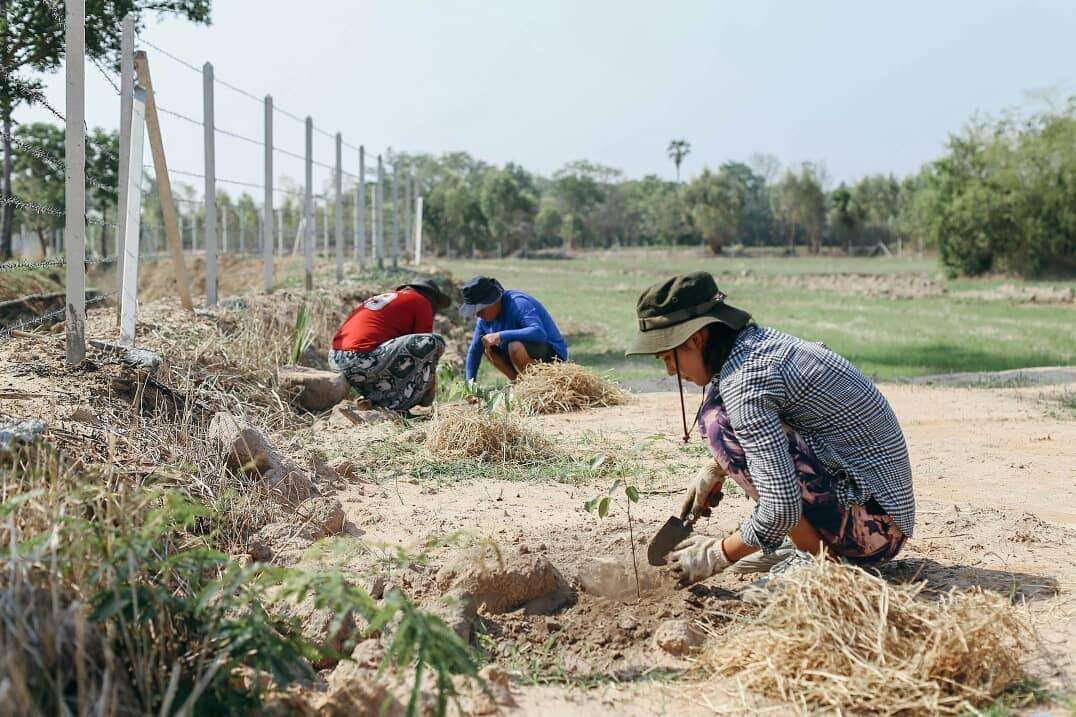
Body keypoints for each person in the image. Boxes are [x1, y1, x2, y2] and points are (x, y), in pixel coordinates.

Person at [626, 272, 915, 586]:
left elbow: (782, 508)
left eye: (669, 358)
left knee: (719, 425)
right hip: (881, 510)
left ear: (696, 339)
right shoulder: (755, 349)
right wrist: (716, 468)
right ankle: (810, 547)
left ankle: (817, 564)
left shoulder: (746, 384)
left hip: (872, 533)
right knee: (722, 417)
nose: (670, 371)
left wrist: (719, 553)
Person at [328, 278, 451, 412]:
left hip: (336, 359)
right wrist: (428, 388)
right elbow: (424, 347)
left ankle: (375, 399)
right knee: (434, 341)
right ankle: (398, 407)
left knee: (401, 356)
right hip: (359, 359)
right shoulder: (421, 301)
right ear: (431, 297)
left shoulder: (388, 300)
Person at [460, 276, 568, 382]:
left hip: (552, 356)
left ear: (493, 301)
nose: (478, 315)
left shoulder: (518, 303)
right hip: (524, 357)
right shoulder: (483, 321)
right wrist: (470, 384)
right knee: (487, 348)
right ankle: (519, 384)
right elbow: (474, 351)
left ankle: (534, 384)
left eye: (480, 309)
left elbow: (539, 333)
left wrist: (500, 335)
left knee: (514, 346)